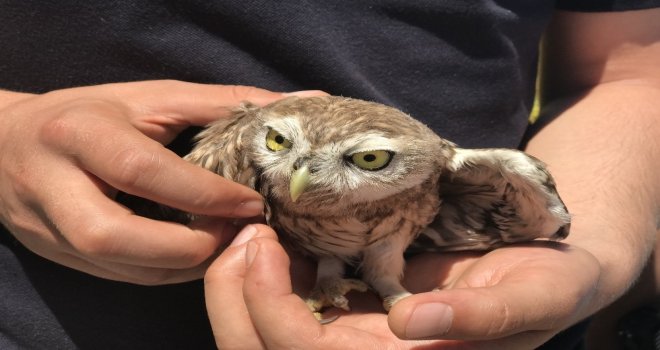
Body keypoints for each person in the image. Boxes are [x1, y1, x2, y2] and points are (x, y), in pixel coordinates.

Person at [0, 1, 658, 349]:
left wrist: (588, 258)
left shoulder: (442, 178)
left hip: (462, 320)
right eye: (282, 148)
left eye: (368, 161)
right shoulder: (248, 148)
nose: (301, 182)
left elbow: (632, 69)